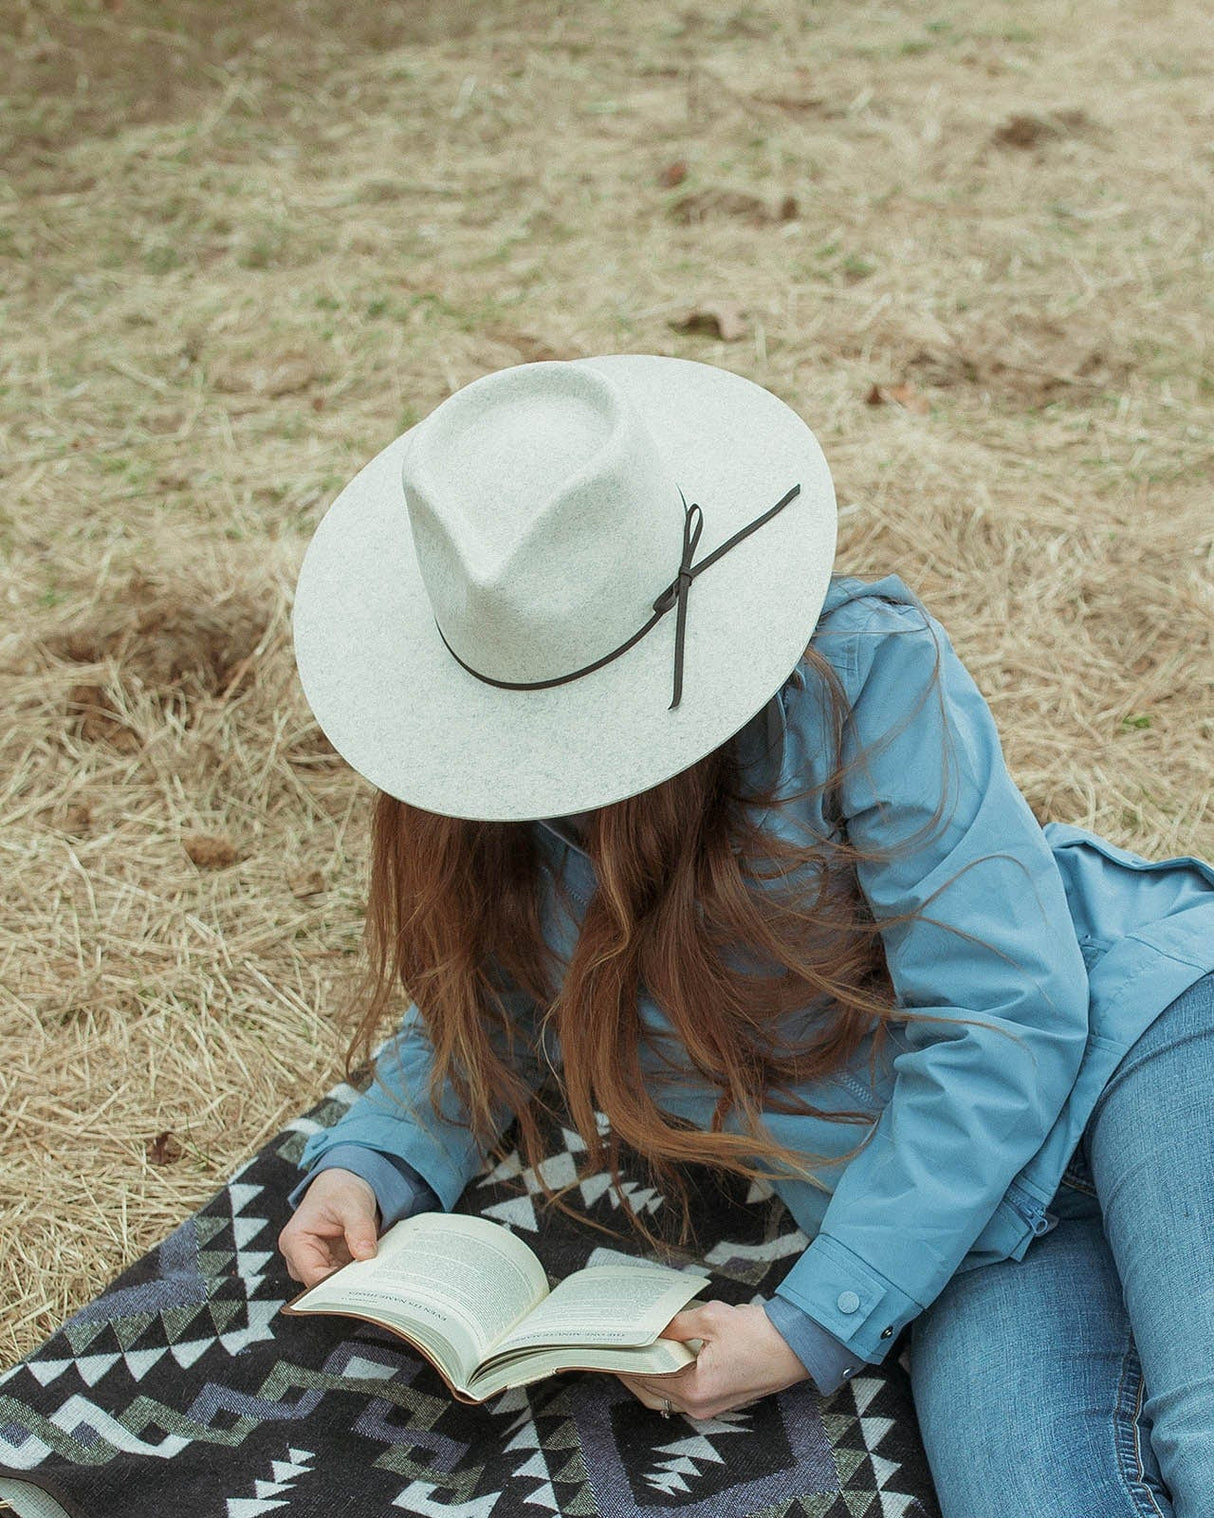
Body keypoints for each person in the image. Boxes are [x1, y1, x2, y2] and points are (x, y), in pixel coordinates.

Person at [278, 355, 1214, 1517]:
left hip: (1142, 1039)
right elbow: (499, 993)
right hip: (958, 1221)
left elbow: (1001, 1008)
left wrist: (810, 1321)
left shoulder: (857, 671)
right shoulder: (483, 801)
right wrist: (377, 1156)